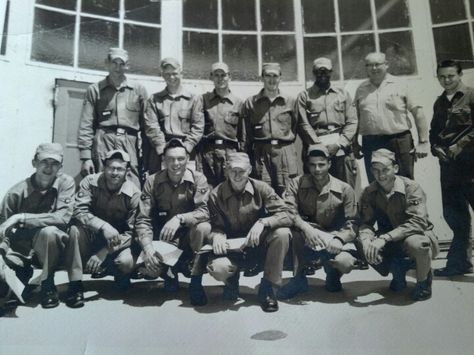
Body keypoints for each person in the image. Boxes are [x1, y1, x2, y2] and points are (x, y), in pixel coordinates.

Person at [189, 152, 292, 312]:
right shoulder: (216, 194)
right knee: (220, 268)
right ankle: (231, 281)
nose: (237, 176)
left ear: (249, 170)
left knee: (283, 233)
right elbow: (212, 224)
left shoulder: (262, 188)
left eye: (241, 171)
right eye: (232, 170)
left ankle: (268, 288)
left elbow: (287, 214)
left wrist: (263, 222)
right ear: (226, 171)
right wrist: (217, 236)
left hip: (258, 246)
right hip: (231, 249)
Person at [0, 143, 83, 309]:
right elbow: (3, 229)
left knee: (51, 232)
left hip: (58, 246)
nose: (49, 167)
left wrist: (21, 217)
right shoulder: (16, 193)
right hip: (25, 251)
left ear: (61, 166)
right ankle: (24, 276)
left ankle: (48, 285)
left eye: (54, 163)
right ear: (34, 163)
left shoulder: (65, 183)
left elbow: (62, 218)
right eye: (44, 162)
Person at [277, 144, 358, 299]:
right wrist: (306, 228)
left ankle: (334, 274)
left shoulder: (345, 189)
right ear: (307, 165)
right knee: (287, 232)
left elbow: (353, 222)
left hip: (331, 238)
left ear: (329, 164)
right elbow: (288, 210)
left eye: (321, 164)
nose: (317, 169)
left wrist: (340, 239)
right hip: (305, 236)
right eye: (313, 165)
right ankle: (298, 279)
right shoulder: (296, 183)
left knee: (345, 262)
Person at [358, 149, 439, 301]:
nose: (381, 175)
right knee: (360, 241)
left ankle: (423, 281)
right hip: (390, 241)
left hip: (417, 235)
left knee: (417, 244)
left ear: (395, 168)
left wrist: (385, 238)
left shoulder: (412, 188)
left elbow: (418, 222)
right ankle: (397, 269)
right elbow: (365, 223)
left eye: (385, 170)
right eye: (375, 170)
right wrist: (366, 240)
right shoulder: (369, 192)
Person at [134, 138, 210, 292]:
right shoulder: (152, 181)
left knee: (203, 227)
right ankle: (168, 273)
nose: (176, 163)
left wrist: (180, 219)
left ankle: (196, 282)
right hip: (164, 239)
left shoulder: (198, 179)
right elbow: (143, 219)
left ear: (187, 159)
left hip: (189, 237)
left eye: (181, 159)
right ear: (164, 160)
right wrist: (148, 248)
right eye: (171, 159)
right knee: (150, 269)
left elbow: (204, 212)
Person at [70, 150, 140, 292]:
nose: (115, 172)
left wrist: (104, 252)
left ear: (127, 171)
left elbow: (133, 232)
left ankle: (117, 272)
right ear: (104, 168)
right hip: (93, 236)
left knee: (126, 263)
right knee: (74, 230)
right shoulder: (89, 182)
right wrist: (103, 226)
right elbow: (79, 211)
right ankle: (75, 283)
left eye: (120, 169)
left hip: (118, 244)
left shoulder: (134, 194)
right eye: (110, 167)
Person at [77, 48, 148, 187]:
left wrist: (147, 157)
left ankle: (133, 209)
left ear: (127, 66)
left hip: (129, 141)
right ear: (106, 63)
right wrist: (86, 157)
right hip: (104, 140)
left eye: (122, 64)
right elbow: (86, 124)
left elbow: (147, 126)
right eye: (114, 62)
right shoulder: (95, 89)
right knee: (102, 180)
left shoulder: (138, 90)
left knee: (132, 182)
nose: (118, 67)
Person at [354, 52, 429, 182]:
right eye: (369, 65)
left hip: (399, 141)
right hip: (371, 143)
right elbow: (355, 118)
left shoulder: (401, 84)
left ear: (386, 65)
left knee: (405, 181)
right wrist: (354, 143)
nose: (374, 68)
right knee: (376, 184)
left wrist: (423, 142)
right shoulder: (361, 89)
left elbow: (418, 113)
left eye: (377, 64)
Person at [430, 59, 474, 277]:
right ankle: (459, 264)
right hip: (448, 168)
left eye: (450, 76)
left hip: (470, 165)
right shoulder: (439, 103)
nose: (446, 80)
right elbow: (433, 131)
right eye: (442, 77)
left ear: (460, 75)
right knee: (455, 217)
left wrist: (461, 145)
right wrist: (435, 147)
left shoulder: (471, 96)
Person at [297, 57, 358, 187]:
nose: (322, 75)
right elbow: (303, 124)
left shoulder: (343, 94)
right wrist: (320, 146)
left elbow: (352, 121)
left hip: (341, 148)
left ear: (331, 72)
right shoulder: (305, 96)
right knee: (316, 190)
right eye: (319, 71)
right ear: (314, 73)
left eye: (326, 71)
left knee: (345, 188)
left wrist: (339, 144)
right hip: (316, 149)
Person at [241, 62, 299, 196]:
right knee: (263, 191)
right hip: (261, 153)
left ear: (280, 78)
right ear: (262, 78)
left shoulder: (290, 101)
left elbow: (296, 127)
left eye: (275, 76)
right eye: (268, 76)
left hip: (284, 151)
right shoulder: (251, 103)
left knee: (287, 192)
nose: (271, 80)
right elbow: (246, 134)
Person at [144, 57, 204, 174]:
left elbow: (198, 126)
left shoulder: (194, 99)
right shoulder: (154, 100)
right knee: (161, 187)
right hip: (162, 152)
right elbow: (151, 126)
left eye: (174, 73)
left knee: (187, 186)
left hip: (186, 152)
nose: (171, 77)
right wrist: (162, 150)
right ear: (162, 75)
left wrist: (186, 148)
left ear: (181, 73)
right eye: (167, 74)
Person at [195, 62, 245, 187]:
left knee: (229, 188)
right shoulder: (203, 100)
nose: (220, 78)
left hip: (230, 153)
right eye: (216, 75)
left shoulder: (238, 103)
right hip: (207, 152)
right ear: (211, 77)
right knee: (207, 188)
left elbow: (243, 135)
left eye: (223, 75)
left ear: (229, 77)